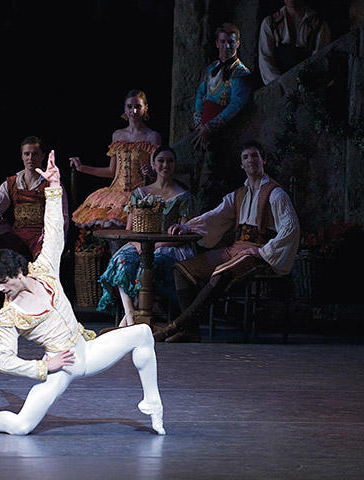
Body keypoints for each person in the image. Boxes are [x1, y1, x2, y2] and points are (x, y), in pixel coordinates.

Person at [0, 151, 165, 436]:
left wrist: (53, 188)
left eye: (3, 282)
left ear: (19, 273)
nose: (0, 289)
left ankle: (152, 402)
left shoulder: (44, 271)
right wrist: (45, 365)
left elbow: (54, 232)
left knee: (143, 334)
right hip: (63, 366)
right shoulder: (8, 316)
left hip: (89, 350)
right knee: (22, 427)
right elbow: (5, 362)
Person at [155, 140, 300, 343]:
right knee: (182, 270)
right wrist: (188, 227)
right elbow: (215, 216)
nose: (251, 160)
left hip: (256, 253)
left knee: (221, 273)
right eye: (245, 157)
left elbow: (291, 227)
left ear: (263, 160)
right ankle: (191, 330)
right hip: (235, 249)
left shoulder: (275, 193)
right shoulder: (238, 195)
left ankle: (176, 326)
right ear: (241, 165)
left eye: (255, 155)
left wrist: (264, 251)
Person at [97, 146, 196, 330]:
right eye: (161, 161)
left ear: (175, 165)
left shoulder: (183, 196)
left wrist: (158, 244)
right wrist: (138, 245)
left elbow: (185, 232)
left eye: (170, 161)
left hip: (169, 246)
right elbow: (130, 229)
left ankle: (132, 323)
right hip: (139, 244)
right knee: (122, 259)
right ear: (153, 164)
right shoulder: (140, 193)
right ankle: (131, 316)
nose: (165, 165)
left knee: (151, 265)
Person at [70, 89, 161, 229]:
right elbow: (112, 171)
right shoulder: (118, 135)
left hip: (141, 193)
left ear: (145, 108)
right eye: (130, 107)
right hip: (116, 194)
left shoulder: (152, 136)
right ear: (125, 109)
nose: (134, 111)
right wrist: (82, 168)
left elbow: (157, 169)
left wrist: (151, 171)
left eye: (138, 107)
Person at [0, 136, 69, 260]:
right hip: (18, 235)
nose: (30, 158)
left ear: (42, 156)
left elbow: (62, 216)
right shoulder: (12, 183)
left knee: (44, 258)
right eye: (27, 154)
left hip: (40, 236)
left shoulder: (51, 184)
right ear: (22, 156)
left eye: (35, 154)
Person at [192, 23, 251, 153]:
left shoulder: (241, 73)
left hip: (225, 132)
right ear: (217, 43)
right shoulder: (211, 68)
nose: (227, 46)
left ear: (238, 43)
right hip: (202, 127)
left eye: (231, 42)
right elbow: (201, 94)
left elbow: (236, 105)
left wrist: (209, 127)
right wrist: (199, 123)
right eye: (223, 42)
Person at [258, 0, 331, 86]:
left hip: (307, 86)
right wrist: (281, 84)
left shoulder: (318, 25)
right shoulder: (270, 23)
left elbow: (319, 59)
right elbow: (265, 61)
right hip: (278, 87)